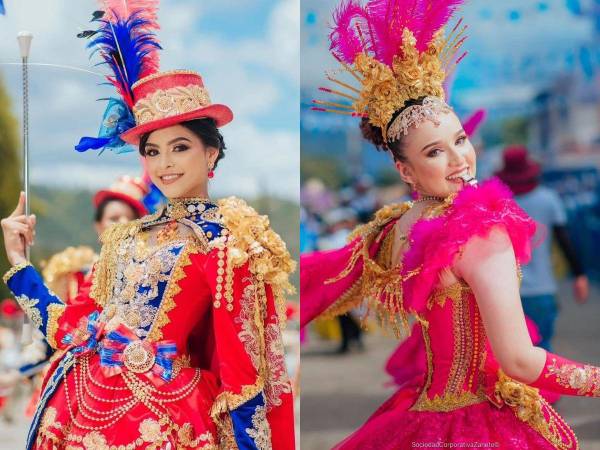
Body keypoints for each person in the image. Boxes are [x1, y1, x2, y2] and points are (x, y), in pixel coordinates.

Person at [301, 0, 599, 448]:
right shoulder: (480, 229)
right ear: (405, 171)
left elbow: (320, 279)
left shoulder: (392, 229)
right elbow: (519, 361)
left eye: (460, 139)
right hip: (482, 424)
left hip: (415, 421)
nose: (461, 159)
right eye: (435, 151)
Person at [1, 4, 296, 448]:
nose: (164, 163)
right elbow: (71, 329)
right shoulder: (124, 238)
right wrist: (20, 264)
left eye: (179, 147)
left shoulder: (228, 242)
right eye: (153, 151)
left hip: (167, 420)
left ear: (211, 152)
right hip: (79, 406)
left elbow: (245, 373)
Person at [495, 145, 589, 351]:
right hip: (541, 289)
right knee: (543, 353)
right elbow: (565, 240)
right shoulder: (548, 199)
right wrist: (579, 275)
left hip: (502, 292)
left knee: (508, 354)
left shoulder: (498, 203)